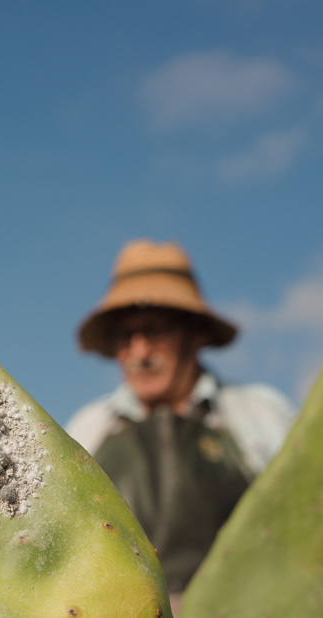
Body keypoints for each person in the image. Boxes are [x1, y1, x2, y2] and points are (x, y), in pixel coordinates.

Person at [65, 239, 294, 598]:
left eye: (155, 330)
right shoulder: (87, 429)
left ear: (196, 334)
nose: (140, 352)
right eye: (127, 335)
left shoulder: (261, 416)